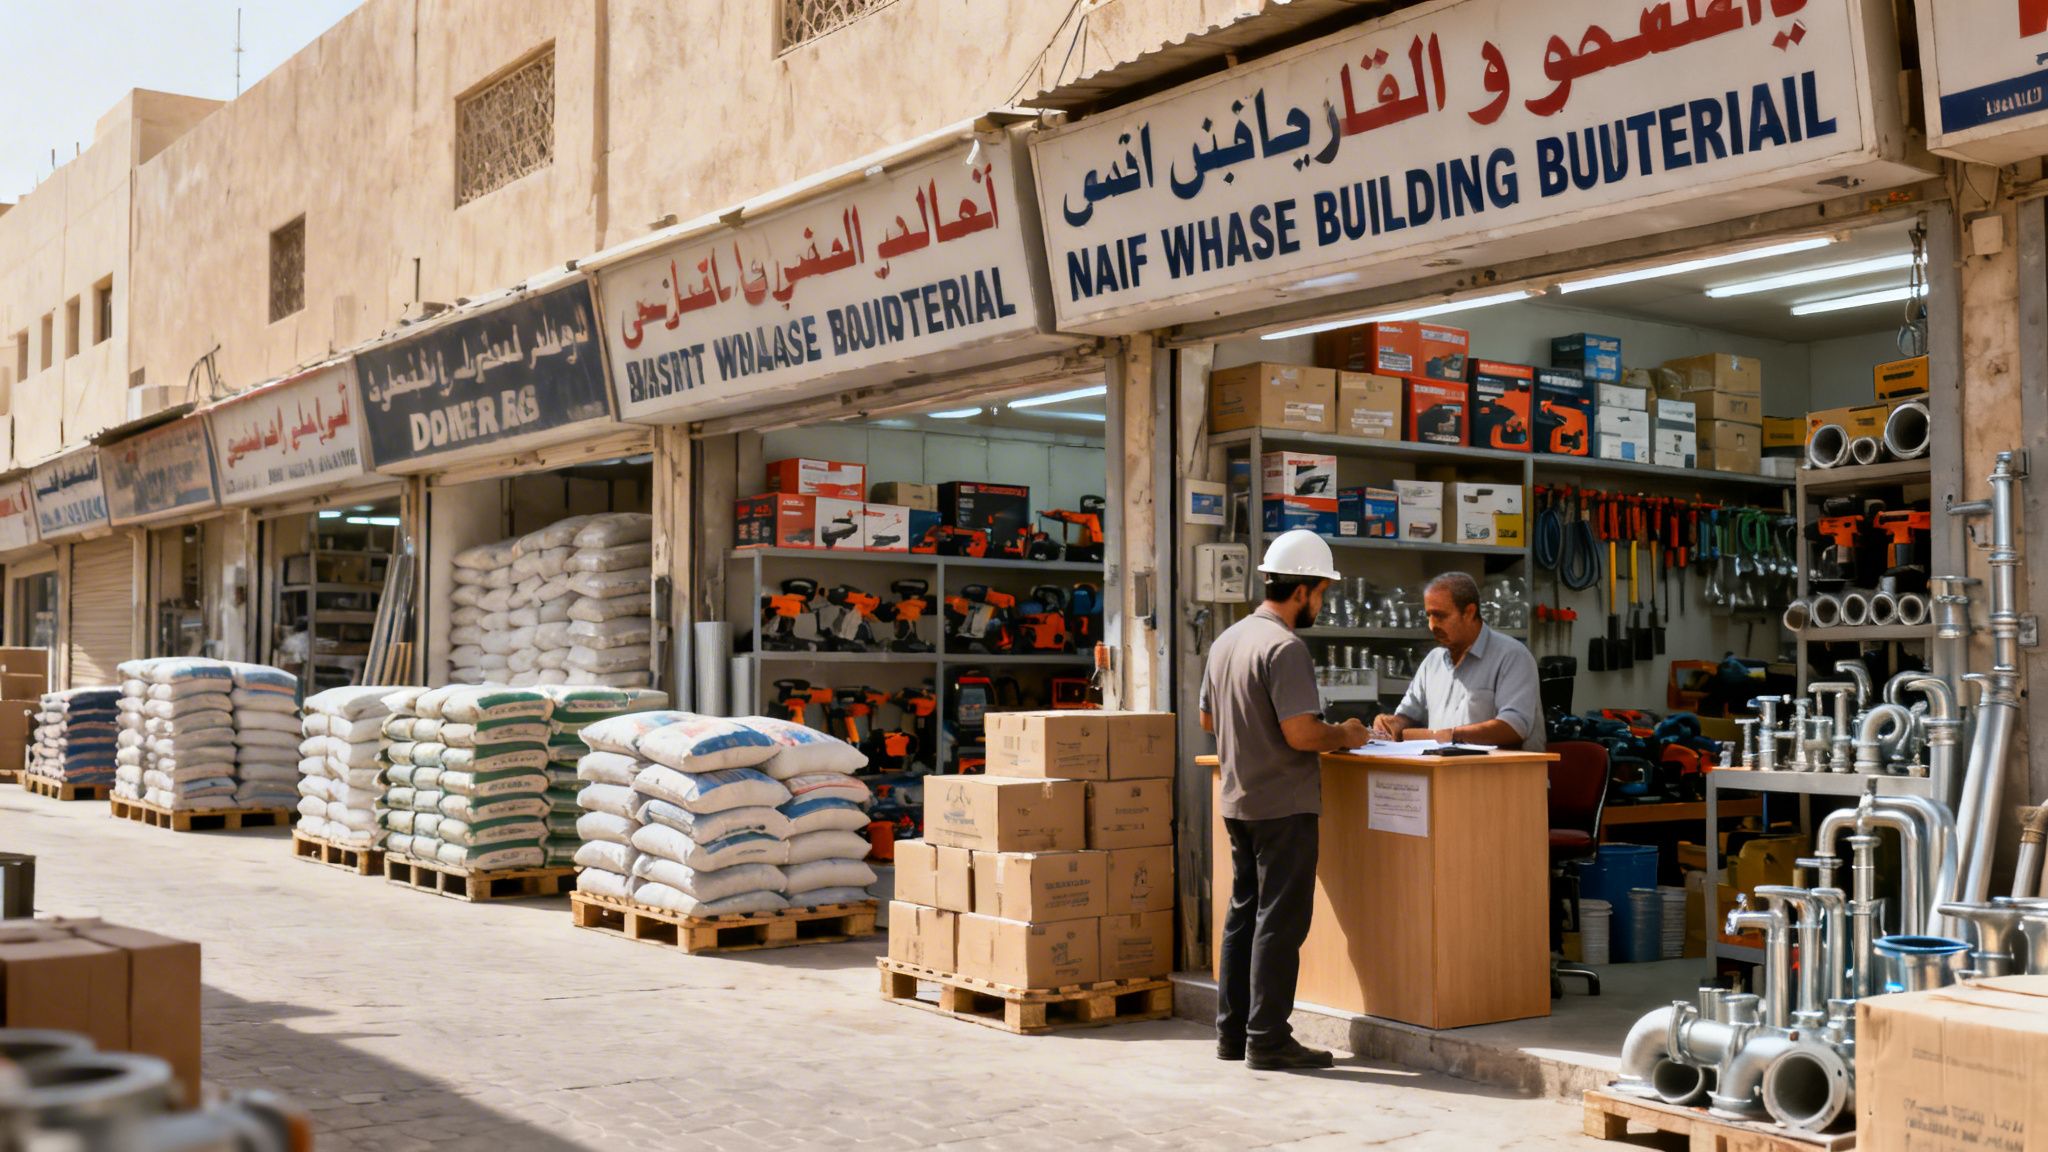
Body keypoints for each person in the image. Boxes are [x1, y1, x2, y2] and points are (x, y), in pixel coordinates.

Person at [1200, 529, 1370, 1072]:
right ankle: (1269, 1039)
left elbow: (1209, 719)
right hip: (1285, 806)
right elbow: (1301, 734)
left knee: (1243, 917)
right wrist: (1344, 733)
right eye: (1321, 592)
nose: (1321, 602)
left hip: (1239, 802)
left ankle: (1233, 1035)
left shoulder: (1229, 640)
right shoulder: (1285, 647)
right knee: (1281, 923)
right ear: (1303, 591)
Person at [1372, 571, 1544, 751]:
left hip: (1502, 777)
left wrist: (1446, 737)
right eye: (1428, 616)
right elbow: (1409, 715)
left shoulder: (1512, 656)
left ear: (1469, 612)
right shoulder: (1433, 662)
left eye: (1440, 616)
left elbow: (1514, 727)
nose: (1432, 626)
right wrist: (1393, 724)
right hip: (1447, 775)